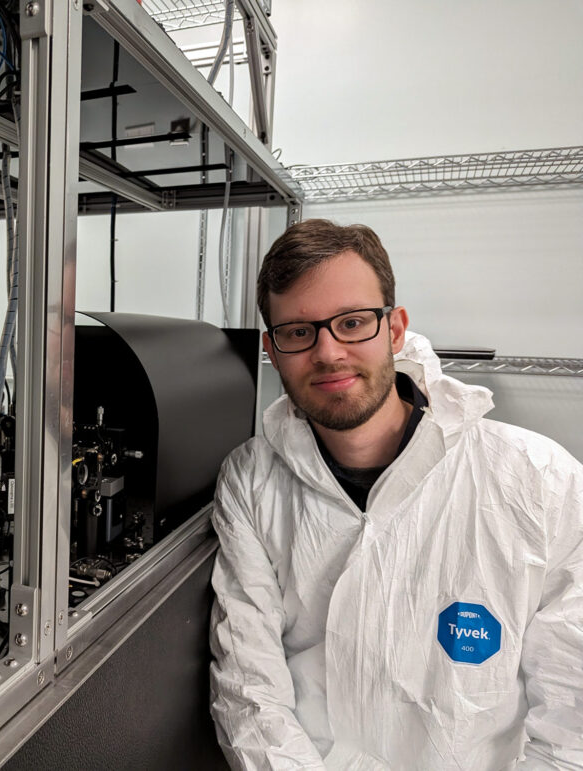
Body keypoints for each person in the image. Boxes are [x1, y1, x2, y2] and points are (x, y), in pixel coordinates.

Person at [209, 218, 583, 770]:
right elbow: (250, 693)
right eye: (298, 331)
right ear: (272, 348)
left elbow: (570, 722)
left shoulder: (540, 479)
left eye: (353, 322)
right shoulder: (252, 479)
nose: (328, 352)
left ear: (395, 328)